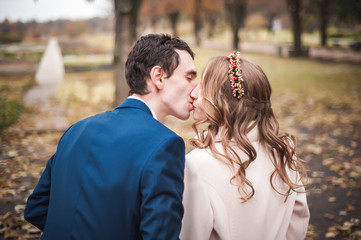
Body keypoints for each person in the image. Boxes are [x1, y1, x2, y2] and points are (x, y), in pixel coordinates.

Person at [24, 34, 197, 240]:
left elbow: (37, 208)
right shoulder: (165, 145)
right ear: (158, 76)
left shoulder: (76, 130)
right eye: (189, 78)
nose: (195, 89)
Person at [180, 52, 309, 240]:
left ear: (223, 101)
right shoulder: (283, 153)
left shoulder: (197, 165)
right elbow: (297, 224)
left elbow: (191, 234)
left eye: (203, 86)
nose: (193, 93)